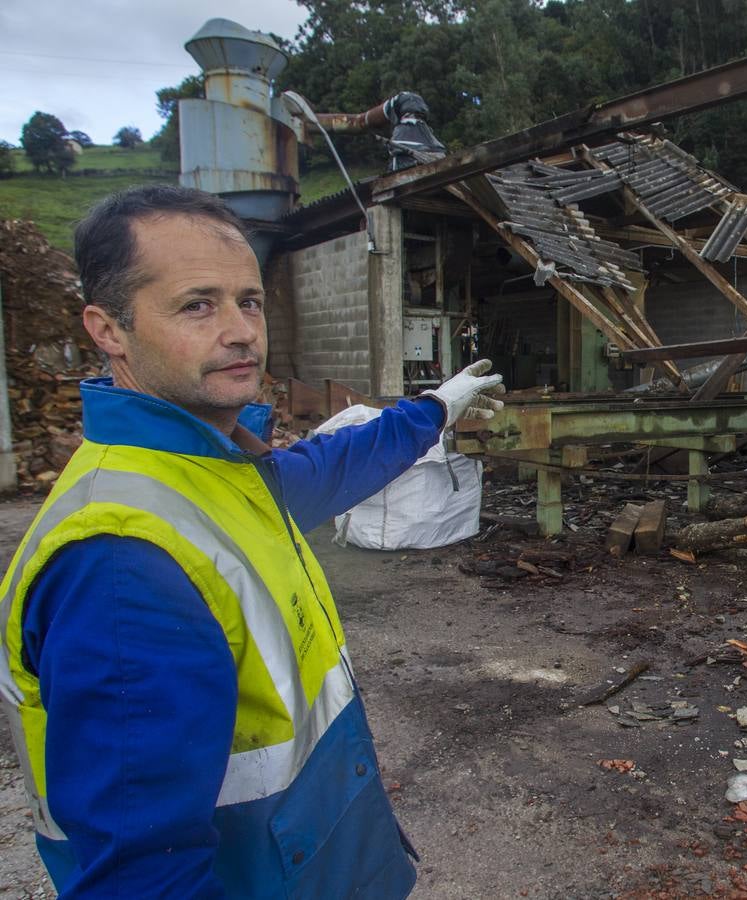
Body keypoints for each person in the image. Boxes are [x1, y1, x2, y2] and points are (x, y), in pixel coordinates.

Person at [0, 184, 504, 897]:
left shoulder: (213, 470)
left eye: (249, 301)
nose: (240, 330)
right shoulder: (119, 563)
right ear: (109, 329)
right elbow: (143, 877)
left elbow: (327, 470)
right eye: (197, 305)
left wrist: (432, 411)